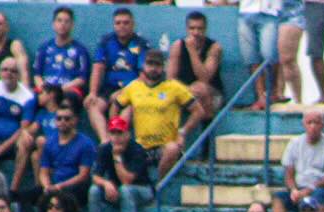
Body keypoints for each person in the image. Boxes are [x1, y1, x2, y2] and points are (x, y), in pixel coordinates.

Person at [112, 49, 200, 180]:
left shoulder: (174, 87)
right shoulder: (134, 87)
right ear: (144, 66)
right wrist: (117, 130)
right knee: (112, 148)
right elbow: (115, 106)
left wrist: (183, 132)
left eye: (157, 65)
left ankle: (159, 185)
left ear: (163, 67)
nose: (153, 68)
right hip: (141, 147)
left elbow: (198, 111)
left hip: (164, 147)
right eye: (150, 64)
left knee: (172, 148)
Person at [87, 115, 152, 212]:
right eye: (113, 133)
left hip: (142, 190)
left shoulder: (136, 150)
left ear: (127, 134)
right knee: (94, 190)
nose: (116, 137)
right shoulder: (105, 148)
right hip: (116, 189)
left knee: (125, 189)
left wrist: (117, 156)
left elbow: (127, 180)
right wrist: (106, 183)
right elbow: (94, 176)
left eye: (120, 133)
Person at [85, 7, 148, 142]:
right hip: (108, 89)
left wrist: (125, 92)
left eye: (126, 23)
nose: (122, 26)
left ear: (133, 24)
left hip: (131, 91)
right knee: (93, 105)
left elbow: (144, 75)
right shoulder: (106, 42)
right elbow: (98, 67)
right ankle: (106, 142)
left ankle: (117, 142)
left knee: (128, 110)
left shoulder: (140, 43)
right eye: (118, 23)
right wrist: (93, 93)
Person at [273, 110, 324, 212]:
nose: (313, 126)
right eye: (309, 123)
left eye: (316, 123)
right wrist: (293, 190)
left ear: (323, 125)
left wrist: (310, 189)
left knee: (319, 197)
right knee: (278, 198)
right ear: (303, 124)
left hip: (323, 189)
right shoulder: (295, 143)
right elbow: (289, 173)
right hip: (299, 188)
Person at [169, 12, 225, 119]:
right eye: (192, 28)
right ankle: (180, 133)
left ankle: (208, 130)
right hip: (184, 91)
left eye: (200, 29)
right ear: (187, 29)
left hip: (212, 94)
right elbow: (170, 79)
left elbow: (204, 78)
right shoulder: (177, 46)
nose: (196, 32)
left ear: (205, 29)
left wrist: (192, 51)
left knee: (200, 88)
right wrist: (185, 91)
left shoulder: (214, 48)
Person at [32, 7, 91, 101]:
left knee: (70, 99)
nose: (63, 24)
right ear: (53, 24)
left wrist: (59, 91)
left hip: (68, 90)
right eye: (59, 20)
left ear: (72, 25)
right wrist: (44, 89)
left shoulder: (81, 50)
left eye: (67, 21)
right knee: (30, 100)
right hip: (46, 89)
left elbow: (82, 79)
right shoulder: (44, 48)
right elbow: (37, 75)